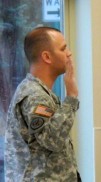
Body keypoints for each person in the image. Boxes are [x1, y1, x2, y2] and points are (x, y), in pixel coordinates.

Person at [4, 27, 81, 181]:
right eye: (63, 48)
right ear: (47, 57)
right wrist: (71, 96)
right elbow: (53, 140)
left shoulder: (41, 92)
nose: (69, 53)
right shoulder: (34, 96)